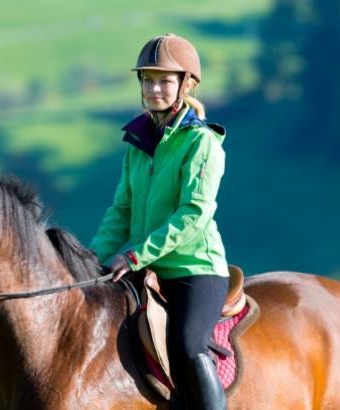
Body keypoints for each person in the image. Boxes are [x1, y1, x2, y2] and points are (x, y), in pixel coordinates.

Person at [89, 33, 229, 410]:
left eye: (165, 80)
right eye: (147, 80)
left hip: (193, 268)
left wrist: (135, 256)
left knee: (187, 344)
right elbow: (121, 211)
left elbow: (193, 215)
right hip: (144, 266)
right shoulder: (137, 145)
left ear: (187, 84)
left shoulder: (202, 143)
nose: (153, 88)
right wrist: (88, 261)